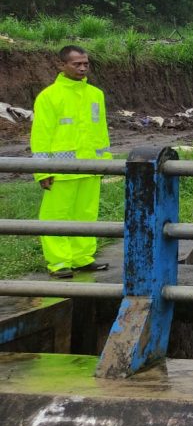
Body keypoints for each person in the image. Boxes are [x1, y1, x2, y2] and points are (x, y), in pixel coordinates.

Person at [31, 45, 112, 279]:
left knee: (87, 216)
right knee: (56, 217)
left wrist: (104, 163)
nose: (82, 67)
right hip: (60, 171)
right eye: (77, 64)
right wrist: (41, 170)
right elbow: (41, 135)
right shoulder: (50, 96)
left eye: (85, 63)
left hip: (90, 168)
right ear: (62, 65)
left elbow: (101, 131)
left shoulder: (96, 94)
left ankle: (82, 257)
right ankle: (58, 262)